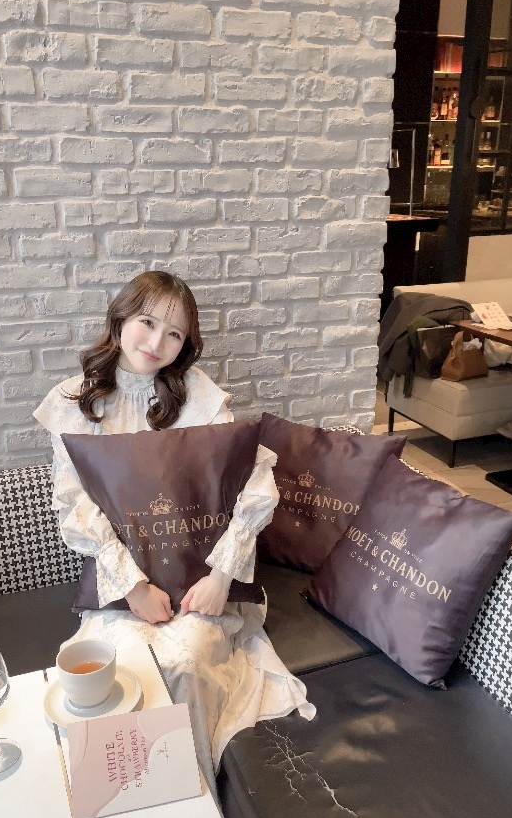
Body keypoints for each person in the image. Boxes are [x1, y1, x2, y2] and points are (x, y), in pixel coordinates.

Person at [33, 270, 315, 791]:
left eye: (174, 333)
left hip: (199, 582)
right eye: (147, 322)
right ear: (121, 318)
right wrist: (134, 588)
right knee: (126, 669)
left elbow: (254, 484)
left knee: (185, 660)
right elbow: (75, 507)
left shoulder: (199, 397)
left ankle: (191, 797)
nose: (156, 342)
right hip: (122, 585)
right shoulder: (75, 401)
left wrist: (221, 577)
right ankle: (125, 798)